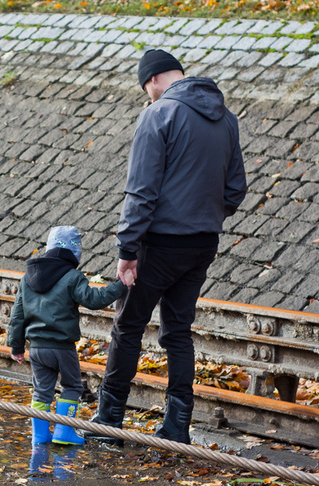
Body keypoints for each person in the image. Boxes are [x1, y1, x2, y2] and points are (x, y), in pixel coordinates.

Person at [83, 49, 247, 446]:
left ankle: (109, 422)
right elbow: (235, 190)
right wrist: (203, 217)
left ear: (153, 79)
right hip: (202, 243)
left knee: (128, 327)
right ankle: (177, 427)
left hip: (157, 244)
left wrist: (127, 251)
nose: (148, 94)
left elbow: (141, 192)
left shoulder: (158, 114)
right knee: (178, 332)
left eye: (145, 87)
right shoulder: (226, 118)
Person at [7, 226, 133, 446]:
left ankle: (40, 435)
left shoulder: (27, 278)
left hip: (36, 348)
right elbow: (94, 299)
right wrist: (122, 285)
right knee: (72, 386)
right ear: (74, 252)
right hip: (62, 347)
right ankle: (64, 433)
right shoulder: (72, 277)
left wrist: (16, 346)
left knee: (41, 391)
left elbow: (17, 316)